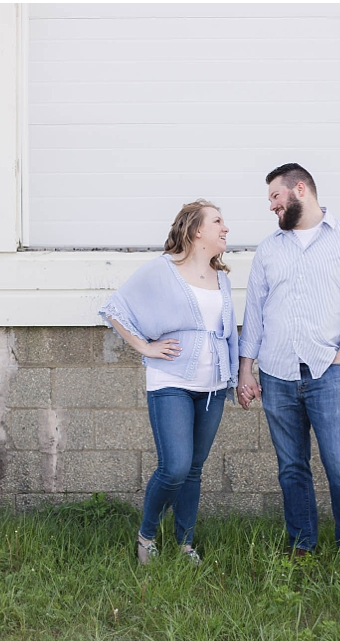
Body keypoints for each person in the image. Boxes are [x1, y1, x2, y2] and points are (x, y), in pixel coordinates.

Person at [238, 163, 340, 564]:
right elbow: (256, 312)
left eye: (275, 197)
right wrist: (246, 369)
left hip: (327, 372)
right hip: (276, 375)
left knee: (339, 463)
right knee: (291, 468)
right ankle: (302, 544)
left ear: (300, 190)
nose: (271, 207)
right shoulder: (269, 249)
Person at [99, 200, 239, 566]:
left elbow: (228, 335)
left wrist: (239, 375)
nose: (226, 228)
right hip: (171, 380)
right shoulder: (162, 270)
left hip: (211, 387)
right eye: (218, 222)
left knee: (194, 468)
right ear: (196, 230)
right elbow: (116, 309)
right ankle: (146, 536)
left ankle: (185, 543)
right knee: (174, 466)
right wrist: (145, 346)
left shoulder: (221, 278)